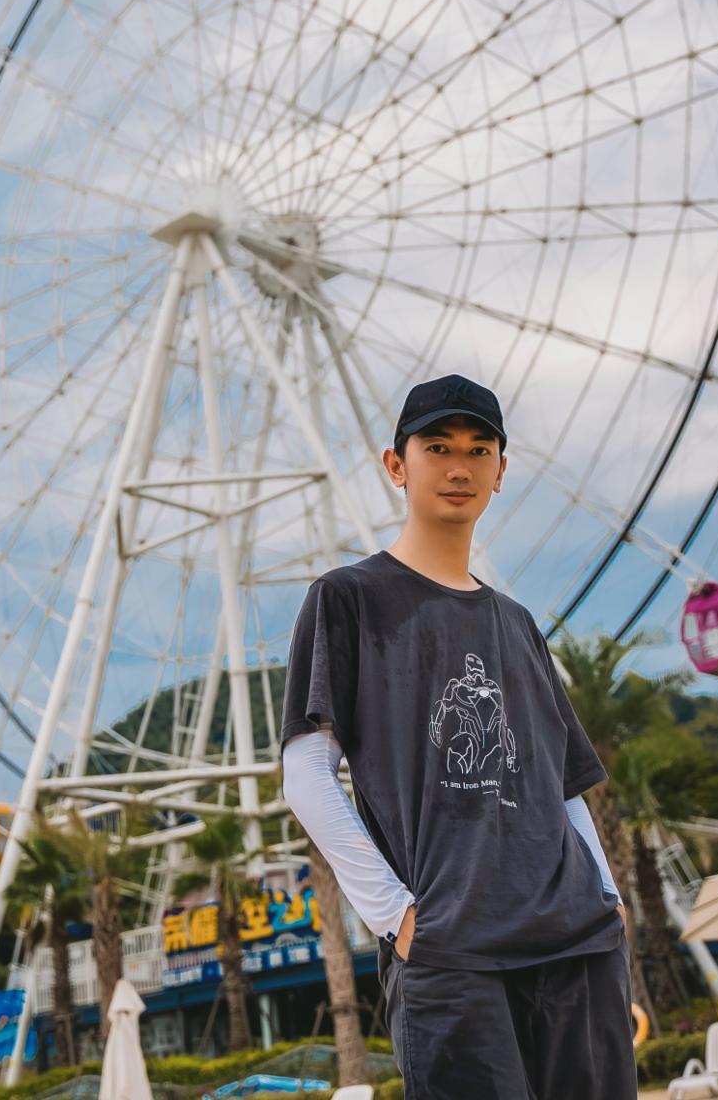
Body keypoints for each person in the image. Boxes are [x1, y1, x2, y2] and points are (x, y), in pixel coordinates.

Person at [278, 373, 636, 1099]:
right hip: (449, 951)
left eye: (479, 449)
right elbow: (306, 774)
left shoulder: (518, 623)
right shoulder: (348, 600)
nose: (459, 466)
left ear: (501, 472)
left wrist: (607, 896)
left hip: (576, 940)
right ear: (396, 465)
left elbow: (561, 786)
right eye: (438, 445)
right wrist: (398, 919)